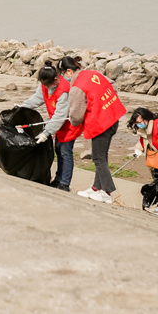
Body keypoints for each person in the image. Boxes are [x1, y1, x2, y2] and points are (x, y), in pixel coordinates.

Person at [62, 56, 127, 204]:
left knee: (98, 158)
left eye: (64, 74)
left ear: (69, 71)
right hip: (113, 117)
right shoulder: (92, 73)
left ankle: (107, 192)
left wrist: (71, 118)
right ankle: (96, 188)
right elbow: (113, 85)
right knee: (102, 156)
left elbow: (77, 117)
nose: (64, 77)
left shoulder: (76, 88)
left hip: (101, 123)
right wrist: (102, 102)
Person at [20, 61, 82, 191]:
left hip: (68, 125)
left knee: (65, 152)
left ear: (55, 79)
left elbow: (60, 115)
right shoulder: (44, 84)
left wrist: (46, 132)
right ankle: (58, 179)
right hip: (57, 125)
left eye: (48, 84)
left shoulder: (64, 90)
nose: (46, 87)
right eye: (43, 84)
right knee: (58, 150)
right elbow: (37, 98)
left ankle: (64, 183)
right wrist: (23, 106)